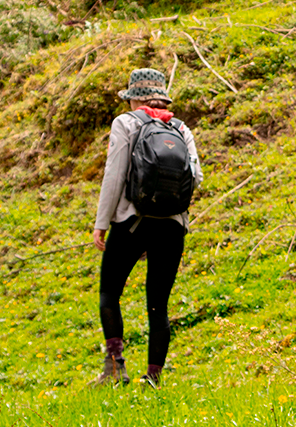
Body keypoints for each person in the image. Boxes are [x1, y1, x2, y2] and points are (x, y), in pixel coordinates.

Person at [91, 68, 202, 386]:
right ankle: (153, 377)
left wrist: (102, 222)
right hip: (172, 226)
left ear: (135, 99)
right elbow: (195, 177)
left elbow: (114, 175)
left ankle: (115, 369)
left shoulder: (125, 123)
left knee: (110, 292)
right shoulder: (181, 128)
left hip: (131, 221)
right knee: (159, 304)